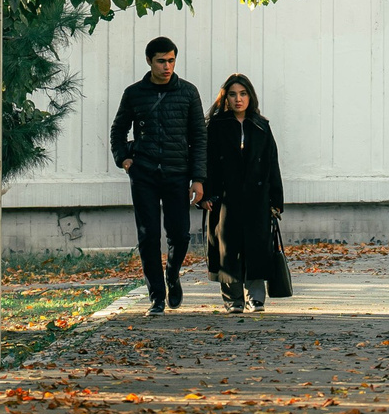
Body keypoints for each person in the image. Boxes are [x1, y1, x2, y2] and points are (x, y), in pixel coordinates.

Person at [110, 36, 205, 316]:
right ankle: (157, 297)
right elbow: (118, 130)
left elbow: (199, 137)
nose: (167, 66)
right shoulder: (134, 93)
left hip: (178, 174)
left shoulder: (188, 93)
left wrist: (198, 178)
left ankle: (172, 275)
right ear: (149, 61)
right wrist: (124, 159)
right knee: (148, 236)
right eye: (161, 61)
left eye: (171, 60)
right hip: (144, 175)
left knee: (180, 234)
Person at [202, 73, 284, 314]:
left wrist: (276, 200)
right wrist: (206, 194)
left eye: (243, 94)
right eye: (233, 94)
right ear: (225, 97)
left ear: (250, 96)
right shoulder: (216, 127)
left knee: (258, 246)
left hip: (257, 198)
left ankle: (256, 298)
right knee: (227, 246)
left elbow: (272, 164)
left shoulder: (261, 126)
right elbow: (206, 163)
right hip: (225, 197)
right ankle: (233, 299)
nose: (238, 99)